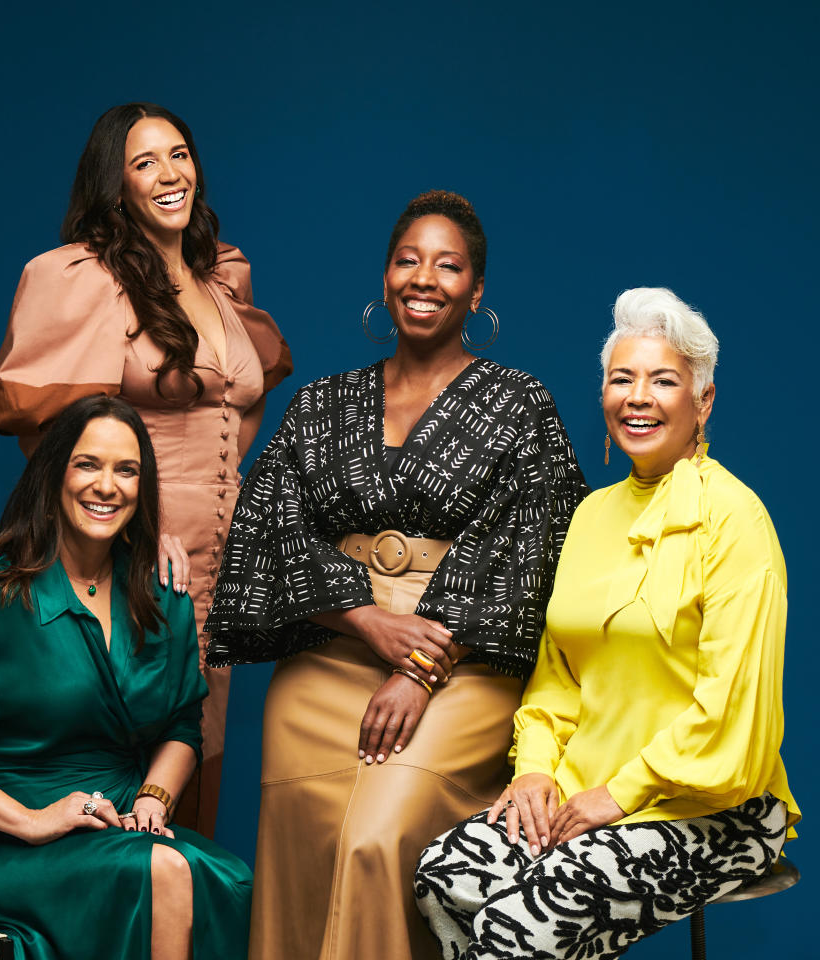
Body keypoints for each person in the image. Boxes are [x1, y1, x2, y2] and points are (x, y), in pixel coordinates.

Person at [204, 191, 587, 960]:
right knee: (304, 849)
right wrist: (363, 619)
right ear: (385, 279)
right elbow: (272, 523)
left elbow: (526, 552)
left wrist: (417, 667)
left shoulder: (519, 404)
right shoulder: (322, 402)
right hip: (331, 653)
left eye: (448, 266)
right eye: (408, 260)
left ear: (476, 291)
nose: (425, 278)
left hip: (459, 664)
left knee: (377, 839)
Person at [414, 287, 801, 960]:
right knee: (443, 877)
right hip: (580, 788)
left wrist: (616, 797)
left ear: (702, 401)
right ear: (603, 398)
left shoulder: (737, 521)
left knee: (518, 928)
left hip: (713, 809)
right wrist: (535, 770)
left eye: (663, 380)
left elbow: (730, 712)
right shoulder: (591, 515)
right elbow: (560, 673)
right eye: (622, 379)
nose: (638, 396)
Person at [0, 102, 292, 836]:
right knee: (123, 764)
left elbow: (238, 399)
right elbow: (48, 428)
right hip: (128, 553)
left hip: (219, 561)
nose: (169, 173)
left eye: (178, 154)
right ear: (114, 185)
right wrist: (128, 525)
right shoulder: (86, 278)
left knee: (195, 752)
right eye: (144, 162)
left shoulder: (220, 279)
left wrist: (219, 489)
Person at [0, 396, 252, 960]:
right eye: (87, 464)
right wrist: (28, 821)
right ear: (54, 475)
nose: (108, 485)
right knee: (162, 873)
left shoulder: (161, 594)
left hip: (110, 825)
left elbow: (181, 725)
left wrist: (154, 797)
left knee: (226, 878)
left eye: (127, 470)